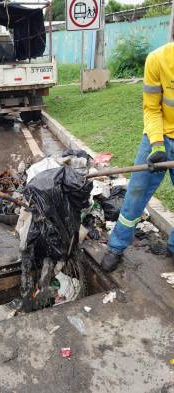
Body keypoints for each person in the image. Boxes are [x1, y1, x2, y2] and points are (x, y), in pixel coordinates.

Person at [102, 42, 174, 272]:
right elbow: (152, 109)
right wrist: (156, 145)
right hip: (159, 135)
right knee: (136, 194)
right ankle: (116, 246)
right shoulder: (158, 59)